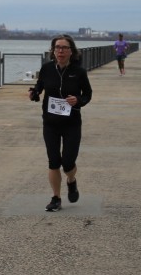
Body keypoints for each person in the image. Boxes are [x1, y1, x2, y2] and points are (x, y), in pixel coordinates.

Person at [28, 34, 93, 212]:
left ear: (71, 51)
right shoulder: (47, 69)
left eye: (64, 48)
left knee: (68, 163)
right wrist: (34, 93)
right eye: (57, 47)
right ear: (53, 51)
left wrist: (78, 100)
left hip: (71, 123)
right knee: (54, 161)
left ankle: (71, 181)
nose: (61, 51)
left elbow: (87, 94)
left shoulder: (79, 72)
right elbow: (39, 87)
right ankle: (56, 198)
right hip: (50, 123)